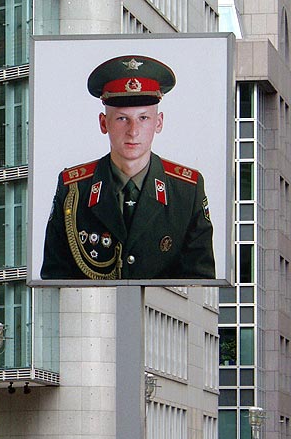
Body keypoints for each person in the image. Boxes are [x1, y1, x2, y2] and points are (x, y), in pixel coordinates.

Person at [41, 55, 216, 281]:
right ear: (104, 123)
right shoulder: (74, 188)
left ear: (159, 122)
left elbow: (200, 279)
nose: (133, 131)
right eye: (122, 119)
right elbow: (54, 278)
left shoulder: (186, 189)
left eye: (143, 118)